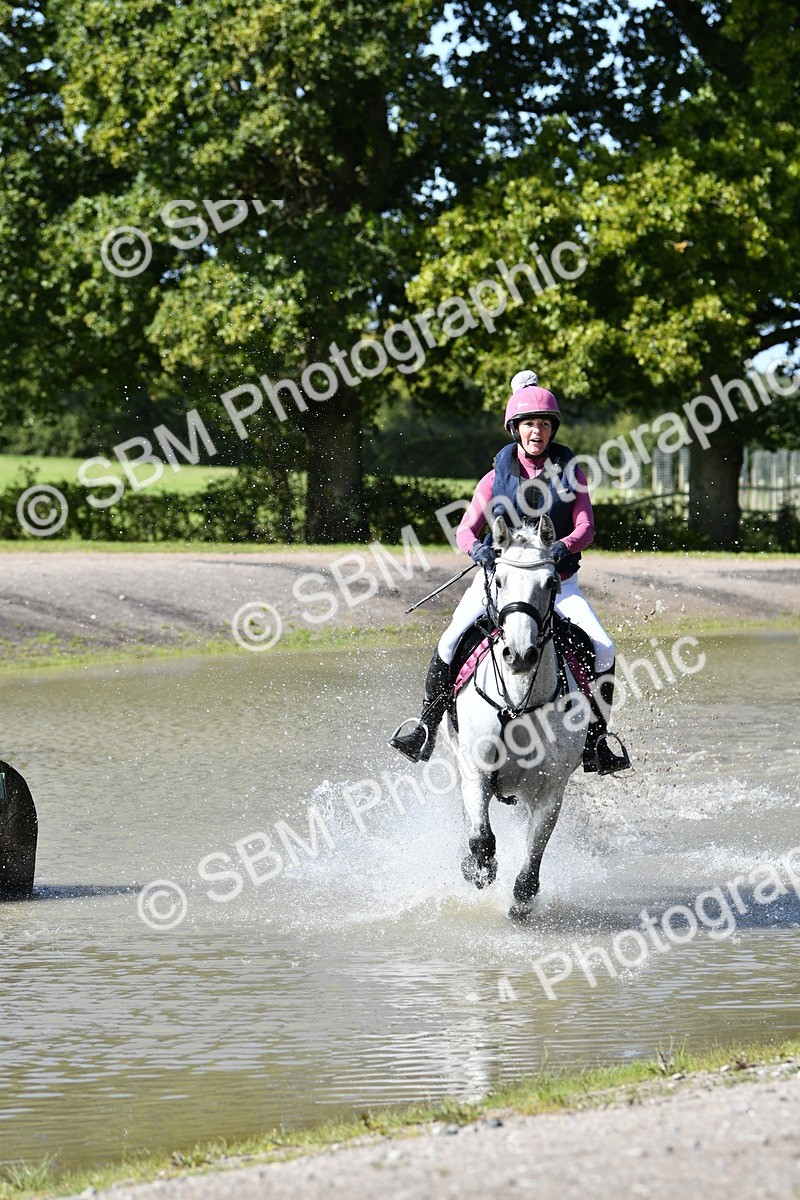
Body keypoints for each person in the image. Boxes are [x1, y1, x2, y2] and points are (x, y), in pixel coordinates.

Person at [389, 369, 630, 775]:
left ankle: (596, 741)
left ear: (553, 429)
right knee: (449, 643)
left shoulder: (573, 476)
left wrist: (562, 546)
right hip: (497, 585)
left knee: (603, 649)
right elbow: (465, 529)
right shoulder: (493, 478)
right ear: (516, 429)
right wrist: (478, 549)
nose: (537, 431)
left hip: (557, 584)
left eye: (544, 424)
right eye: (529, 424)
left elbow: (586, 527)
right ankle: (426, 728)